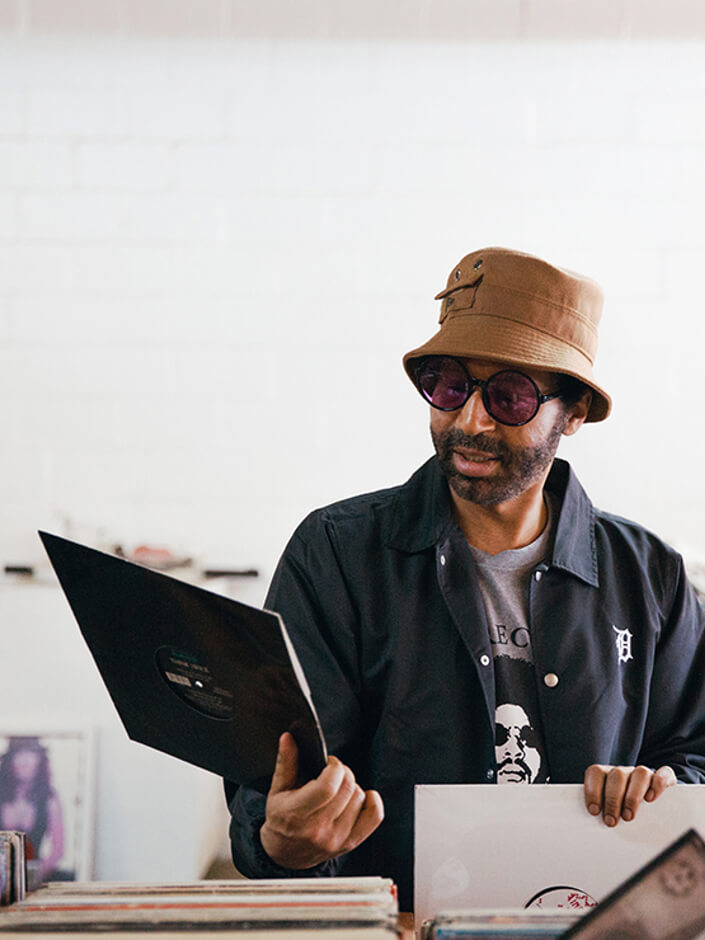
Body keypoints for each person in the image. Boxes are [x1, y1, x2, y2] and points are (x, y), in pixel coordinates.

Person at [226, 247, 705, 910]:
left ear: (572, 414)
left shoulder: (649, 575)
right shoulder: (336, 555)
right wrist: (282, 843)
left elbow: (695, 754)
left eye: (509, 396)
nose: (471, 421)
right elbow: (274, 792)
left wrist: (661, 789)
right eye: (449, 386)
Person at [0, 736, 66, 883]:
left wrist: (34, 876)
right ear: (10, 761)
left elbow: (57, 851)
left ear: (39, 759)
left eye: (30, 754)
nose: (24, 762)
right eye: (19, 754)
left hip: (35, 879)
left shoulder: (49, 800)